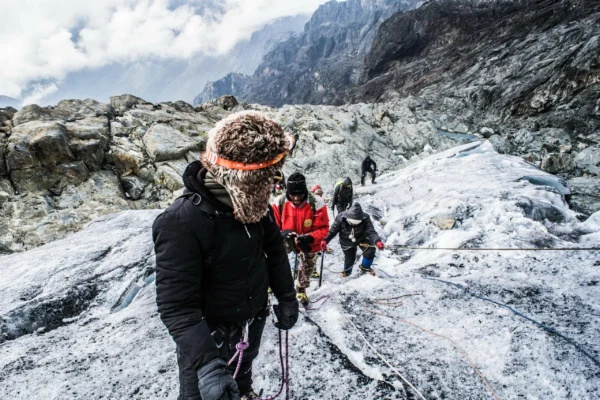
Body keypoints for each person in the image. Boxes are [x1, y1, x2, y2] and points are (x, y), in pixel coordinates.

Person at [153, 111, 299, 400]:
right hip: (208, 338)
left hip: (249, 322)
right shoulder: (180, 223)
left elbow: (274, 252)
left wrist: (287, 296)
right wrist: (207, 365)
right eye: (268, 176)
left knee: (242, 378)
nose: (273, 184)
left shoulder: (258, 208)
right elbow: (177, 306)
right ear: (248, 181)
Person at [272, 172, 329, 305]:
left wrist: (310, 237)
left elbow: (324, 228)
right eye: (293, 195)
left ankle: (301, 289)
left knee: (307, 266)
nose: (296, 198)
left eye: (300, 195)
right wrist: (282, 233)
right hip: (286, 239)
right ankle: (276, 286)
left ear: (305, 191)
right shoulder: (278, 202)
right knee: (275, 260)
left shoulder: (317, 203)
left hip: (308, 242)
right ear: (287, 192)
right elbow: (272, 227)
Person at [321, 203, 384, 277]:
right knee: (350, 257)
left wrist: (377, 241)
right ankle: (347, 272)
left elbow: (371, 231)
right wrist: (325, 240)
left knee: (370, 250)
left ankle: (365, 267)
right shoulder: (341, 217)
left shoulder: (365, 217)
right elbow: (333, 231)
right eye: (352, 223)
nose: (354, 225)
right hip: (346, 239)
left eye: (357, 223)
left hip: (362, 237)